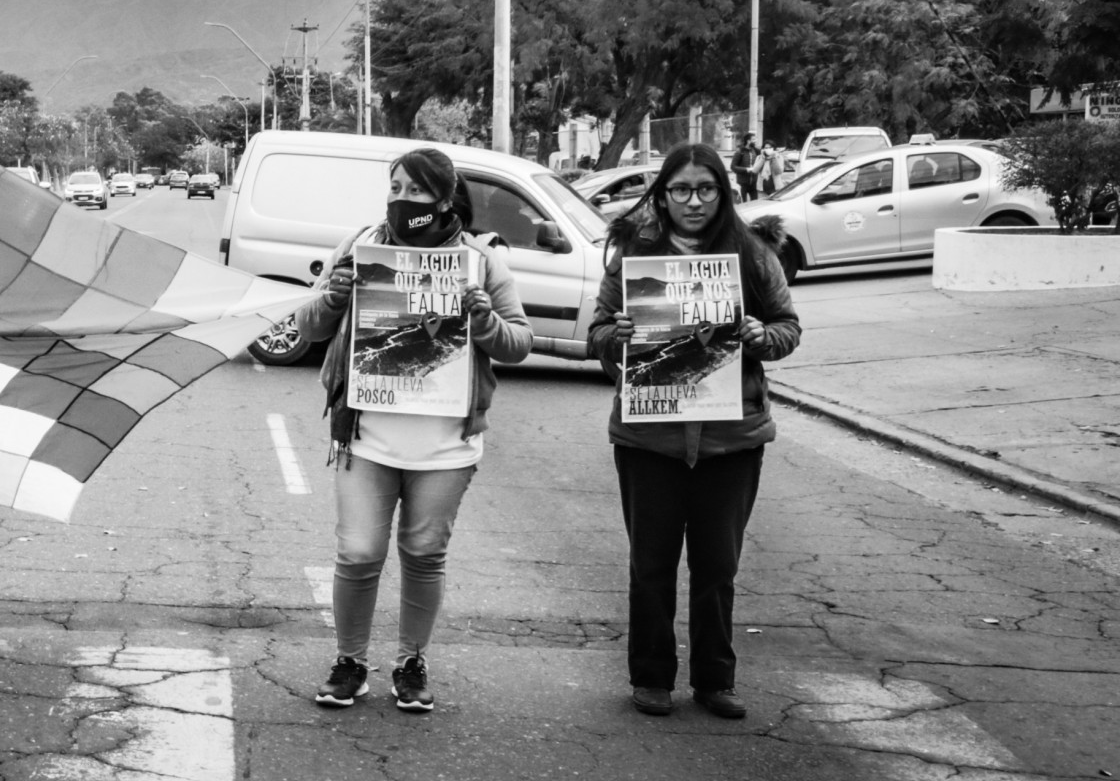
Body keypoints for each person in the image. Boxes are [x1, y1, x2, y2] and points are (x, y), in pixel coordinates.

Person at [293, 147, 533, 712]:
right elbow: (306, 325)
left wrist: (486, 322)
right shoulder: (360, 248)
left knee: (424, 553)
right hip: (367, 433)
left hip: (446, 442)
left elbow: (518, 343)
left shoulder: (480, 262)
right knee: (357, 553)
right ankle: (350, 660)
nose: (402, 200)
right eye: (394, 188)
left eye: (415, 191)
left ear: (445, 200)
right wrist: (333, 297)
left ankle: (410, 661)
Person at [588, 142, 800, 720]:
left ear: (723, 193)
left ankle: (715, 680)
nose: (694, 201)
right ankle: (651, 677)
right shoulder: (634, 256)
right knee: (651, 565)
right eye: (680, 190)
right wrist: (620, 336)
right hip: (648, 441)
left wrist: (761, 336)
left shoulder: (752, 255)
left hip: (731, 440)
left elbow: (788, 327)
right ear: (663, 195)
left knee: (717, 567)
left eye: (706, 189)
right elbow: (598, 336)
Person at [732, 134, 760, 202]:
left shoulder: (756, 151)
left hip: (754, 183)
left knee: (755, 204)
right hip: (742, 184)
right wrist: (746, 169)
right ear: (748, 141)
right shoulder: (740, 152)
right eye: (753, 139)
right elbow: (733, 167)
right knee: (743, 204)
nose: (755, 141)